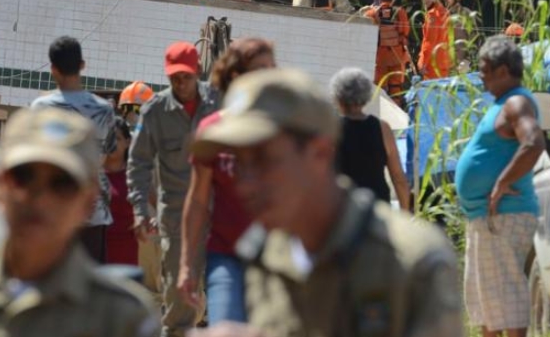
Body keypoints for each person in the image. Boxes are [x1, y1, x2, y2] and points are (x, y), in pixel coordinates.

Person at [188, 68, 462, 337]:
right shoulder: (263, 255)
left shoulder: (410, 259)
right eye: (237, 162)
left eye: (262, 160)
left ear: (320, 152)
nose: (244, 184)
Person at [0, 107, 160, 336]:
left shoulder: (122, 318)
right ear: (1, 185)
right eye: (23, 177)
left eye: (62, 184)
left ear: (87, 203)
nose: (40, 198)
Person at [179, 38, 276, 324]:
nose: (268, 76)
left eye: (272, 68)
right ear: (236, 76)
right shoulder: (213, 131)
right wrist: (186, 265)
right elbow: (197, 200)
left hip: (277, 261)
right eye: (260, 68)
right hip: (226, 257)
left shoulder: (283, 131)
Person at [454, 38, 545, 337]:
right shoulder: (501, 104)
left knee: (506, 291)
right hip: (488, 218)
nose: (480, 75)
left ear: (503, 70)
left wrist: (502, 182)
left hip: (505, 214)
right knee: (486, 299)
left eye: (485, 70)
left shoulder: (516, 102)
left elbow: (533, 142)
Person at [127, 41, 219, 337]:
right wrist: (140, 210)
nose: (180, 83)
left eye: (186, 77)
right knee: (178, 296)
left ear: (197, 72)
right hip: (176, 216)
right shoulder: (155, 111)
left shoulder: (218, 104)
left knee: (211, 292)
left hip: (217, 214)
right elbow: (138, 163)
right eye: (174, 77)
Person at [31, 35, 116, 264]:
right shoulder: (103, 111)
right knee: (90, 292)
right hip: (91, 211)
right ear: (82, 65)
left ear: (52, 69)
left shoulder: (40, 109)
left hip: (52, 212)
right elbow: (107, 159)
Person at [330, 67, 410, 210]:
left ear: (338, 97)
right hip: (377, 211)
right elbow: (399, 179)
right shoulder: (382, 128)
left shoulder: (331, 129)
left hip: (343, 212)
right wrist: (405, 215)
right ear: (366, 96)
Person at [119, 80, 164, 305]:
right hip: (144, 222)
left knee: (147, 286)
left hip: (139, 222)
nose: (131, 116)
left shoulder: (125, 140)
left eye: (135, 110)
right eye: (129, 110)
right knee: (149, 286)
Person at [364, 0, 411, 104]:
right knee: (396, 88)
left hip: (380, 56)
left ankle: (381, 112)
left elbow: (365, 24)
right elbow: (405, 32)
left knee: (380, 88)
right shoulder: (400, 12)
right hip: (397, 56)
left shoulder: (373, 13)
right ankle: (397, 113)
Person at [106, 117, 137, 265]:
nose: (112, 143)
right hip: (96, 251)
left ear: (128, 142)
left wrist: (153, 220)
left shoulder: (135, 174)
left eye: (117, 138)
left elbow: (158, 203)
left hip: (127, 252)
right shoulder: (92, 174)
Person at [418, 0, 451, 80]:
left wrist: (423, 63)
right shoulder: (445, 12)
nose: (424, 0)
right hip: (443, 63)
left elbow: (429, 42)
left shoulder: (432, 15)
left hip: (432, 65)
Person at [445, 0, 477, 72]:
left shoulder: (466, 14)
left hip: (461, 64)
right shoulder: (443, 15)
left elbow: (474, 38)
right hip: (445, 64)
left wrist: (468, 61)